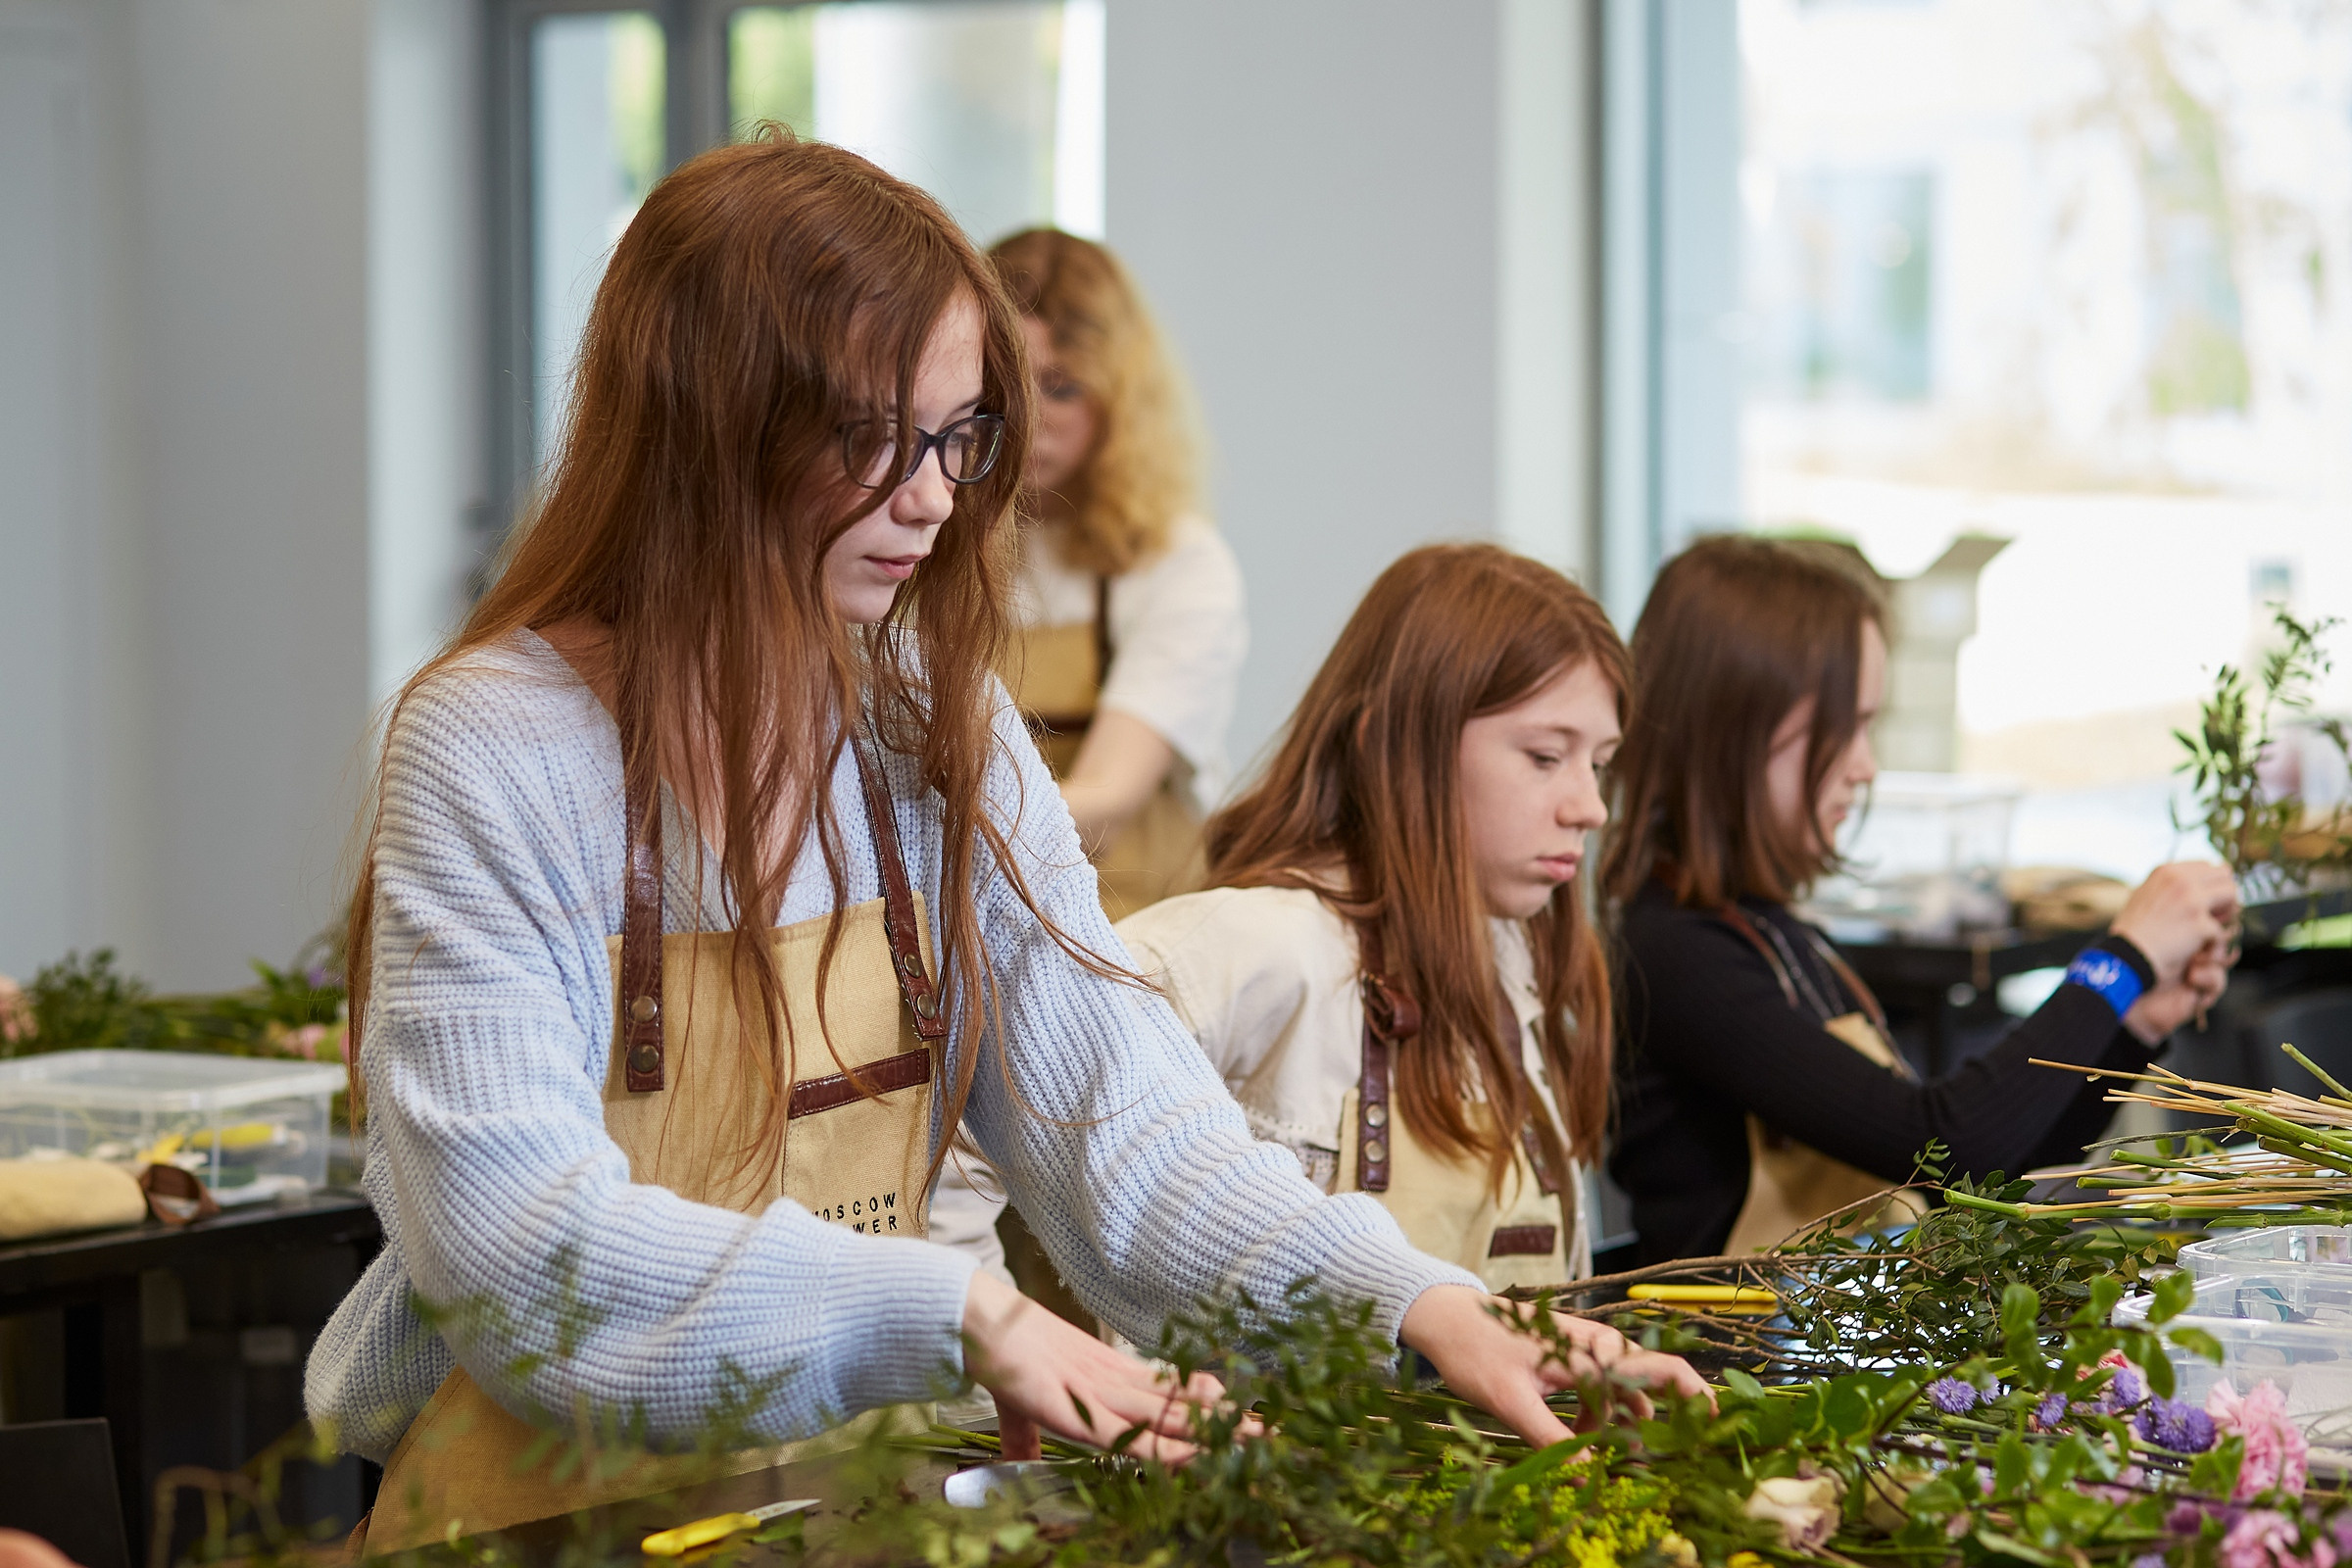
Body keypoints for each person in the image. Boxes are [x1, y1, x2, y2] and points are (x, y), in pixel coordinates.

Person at [303, 134, 1701, 1551]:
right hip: (537, 1525)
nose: (930, 498)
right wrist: (958, 1310)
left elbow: (1133, 1129)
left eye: (957, 437)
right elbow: (518, 1258)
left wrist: (1419, 1308)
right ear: (708, 423)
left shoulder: (933, 724)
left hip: (846, 1510)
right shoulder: (494, 744)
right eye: (871, 438)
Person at [1603, 535, 2239, 1265]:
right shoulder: (1676, 954)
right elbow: (1947, 1144)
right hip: (1730, 1366)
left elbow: (1977, 1186)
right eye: (1840, 729)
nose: (1865, 766)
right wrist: (2117, 963)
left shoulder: (1781, 935)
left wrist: (2129, 1028)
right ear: (1734, 729)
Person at [1116, 545, 1620, 1293]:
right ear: (1396, 747)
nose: (1591, 807)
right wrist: (996, 1351)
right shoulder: (1265, 946)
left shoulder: (1517, 966)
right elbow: (975, 1116)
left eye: (1600, 762)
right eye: (1546, 756)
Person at [986, 228, 1244, 920]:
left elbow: (1105, 799)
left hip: (1137, 930)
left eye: (1062, 387)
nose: (1030, 419)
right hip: (976, 925)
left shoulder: (1178, 562)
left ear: (1119, 397)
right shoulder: (919, 550)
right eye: (1004, 384)